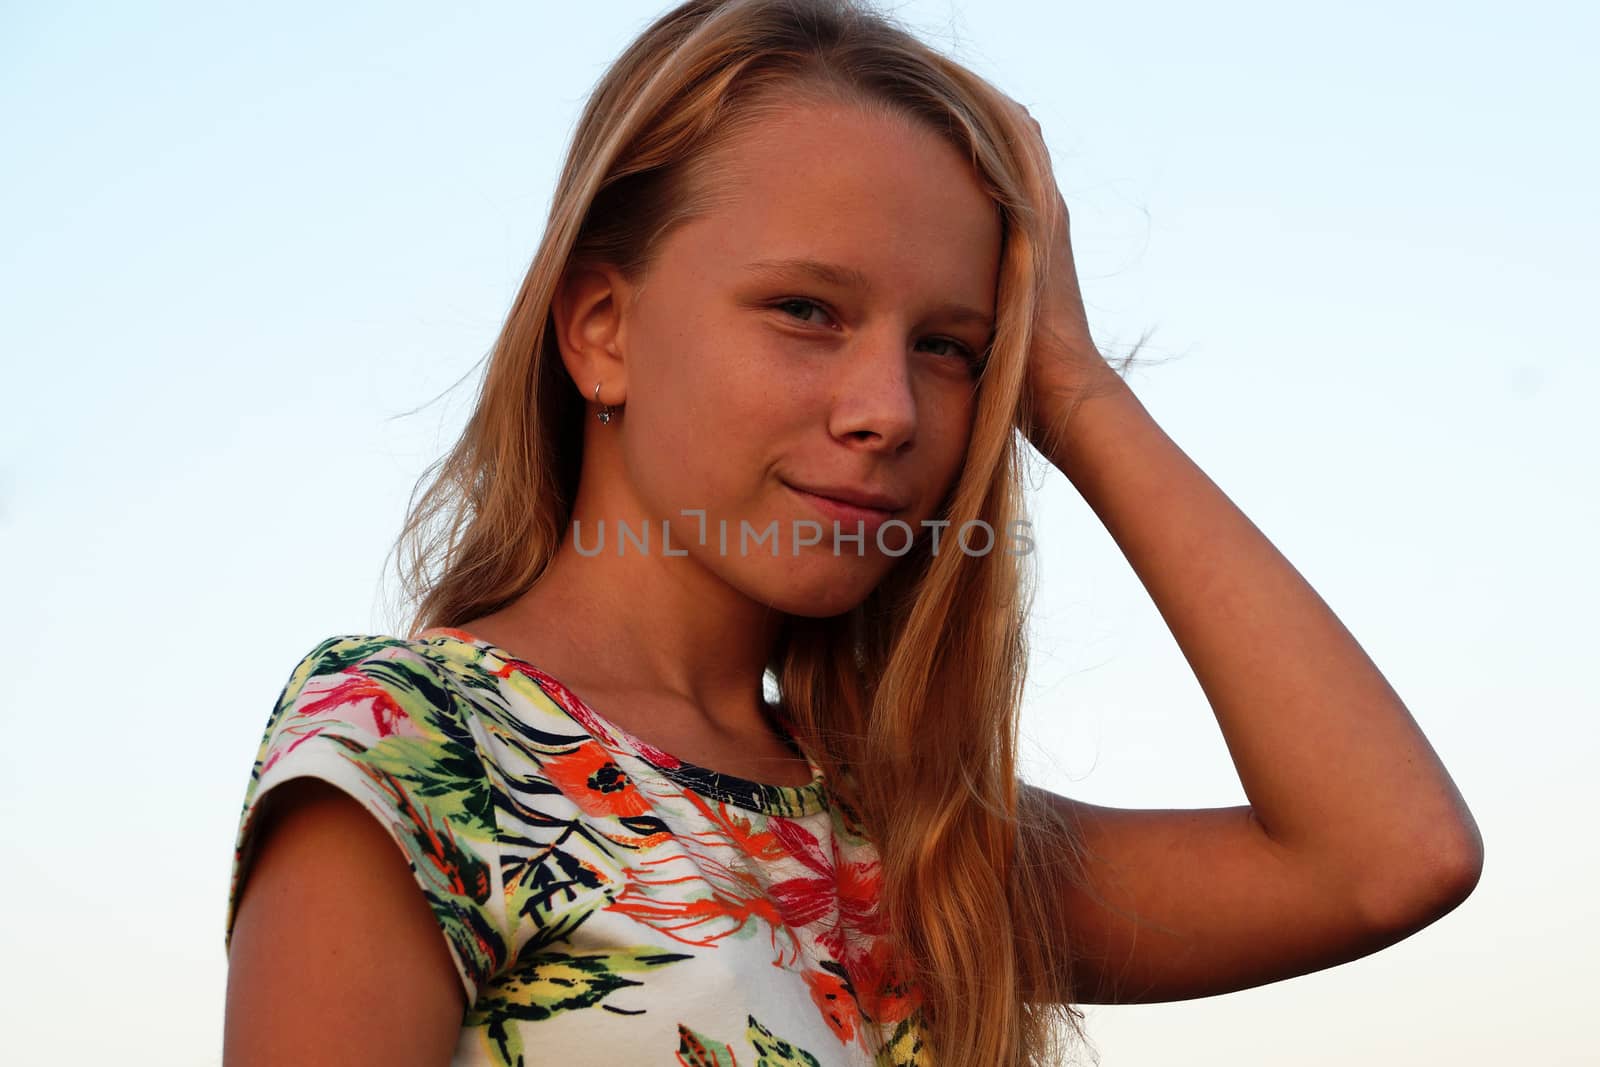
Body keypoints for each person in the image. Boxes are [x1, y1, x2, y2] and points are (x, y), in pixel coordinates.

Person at [220, 1, 1484, 1064]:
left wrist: (1073, 384)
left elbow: (1388, 855)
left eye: (950, 348)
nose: (890, 410)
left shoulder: (918, 835)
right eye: (807, 310)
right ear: (601, 328)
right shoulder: (419, 745)